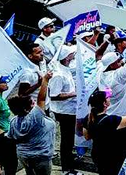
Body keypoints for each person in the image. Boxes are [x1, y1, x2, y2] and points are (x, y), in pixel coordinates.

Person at [7, 70, 56, 175]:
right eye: (32, 103)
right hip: (41, 156)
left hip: (24, 155)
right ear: (26, 109)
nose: (35, 104)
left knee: (29, 173)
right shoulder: (34, 118)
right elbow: (41, 99)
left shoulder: (13, 122)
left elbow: (11, 138)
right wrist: (45, 80)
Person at [84, 88, 126, 175]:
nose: (109, 98)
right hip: (111, 156)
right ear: (104, 104)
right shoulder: (111, 120)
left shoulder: (88, 119)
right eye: (107, 97)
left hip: (97, 155)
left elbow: (87, 137)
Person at [48, 46, 78, 175]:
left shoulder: (65, 69)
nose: (74, 54)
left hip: (70, 109)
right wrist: (73, 94)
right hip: (64, 112)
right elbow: (54, 95)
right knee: (67, 140)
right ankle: (66, 168)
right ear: (66, 57)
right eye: (72, 53)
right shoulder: (59, 75)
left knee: (70, 140)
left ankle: (69, 162)